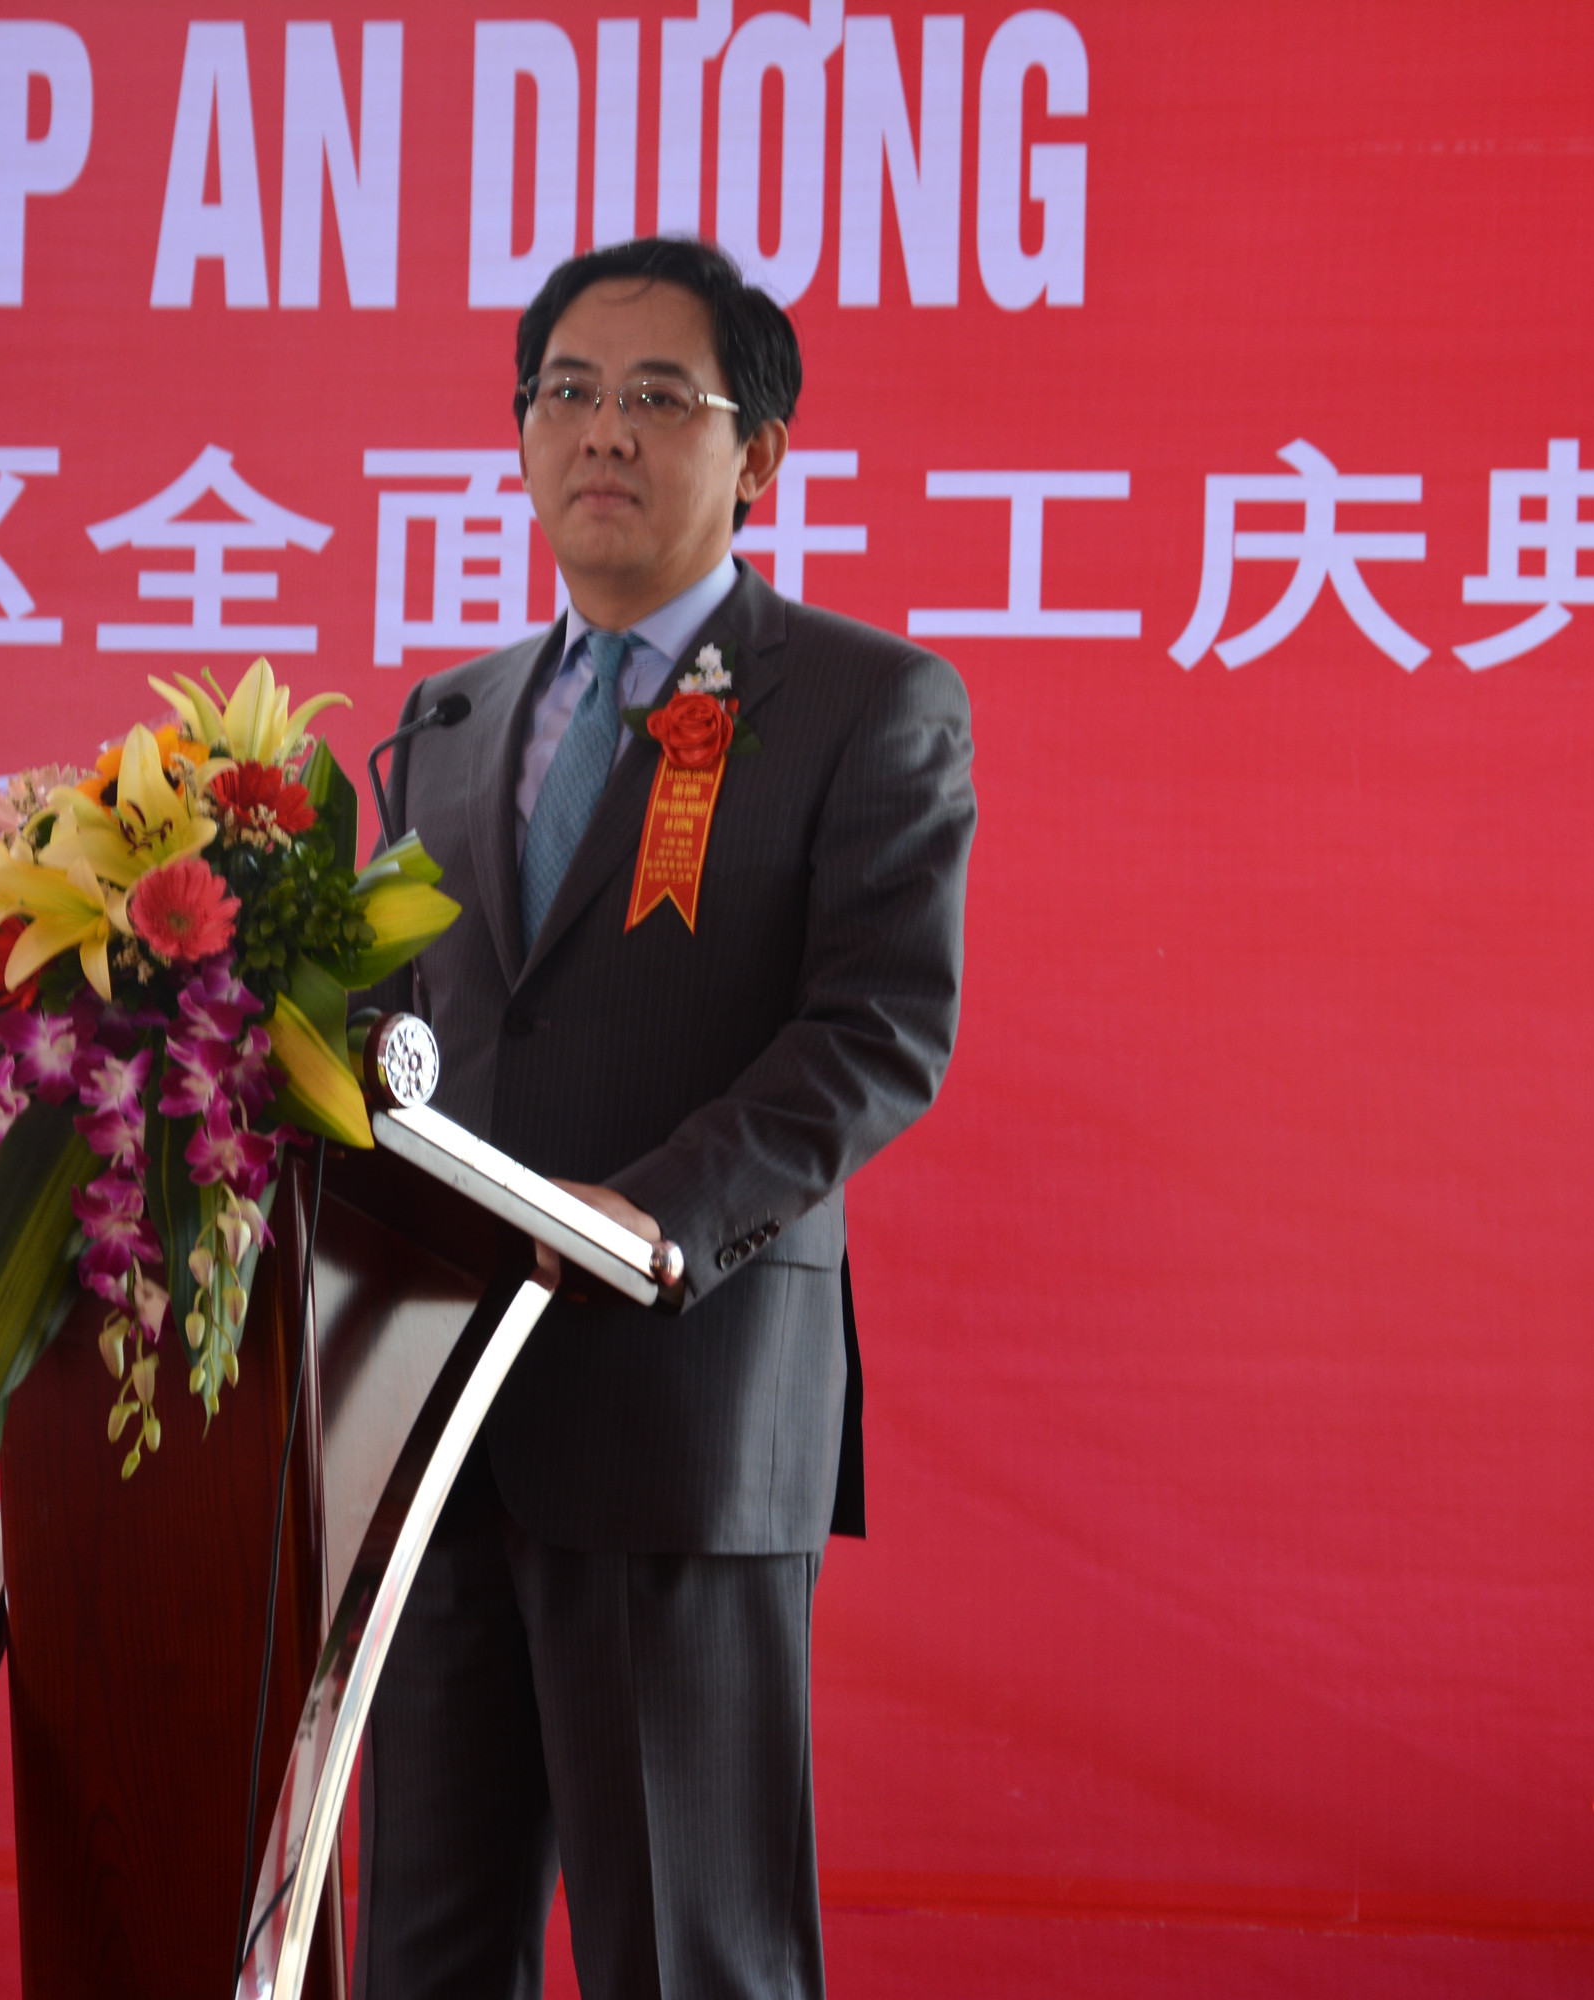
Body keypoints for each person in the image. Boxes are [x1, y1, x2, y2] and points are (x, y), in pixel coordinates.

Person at [362, 236, 976, 2000]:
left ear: (756, 453)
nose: (603, 433)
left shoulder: (864, 703)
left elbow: (876, 1031)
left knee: (687, 1957)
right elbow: (407, 1031)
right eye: (566, 393)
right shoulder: (452, 715)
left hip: (677, 1396)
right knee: (421, 1952)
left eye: (656, 398)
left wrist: (655, 1215)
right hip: (436, 1421)